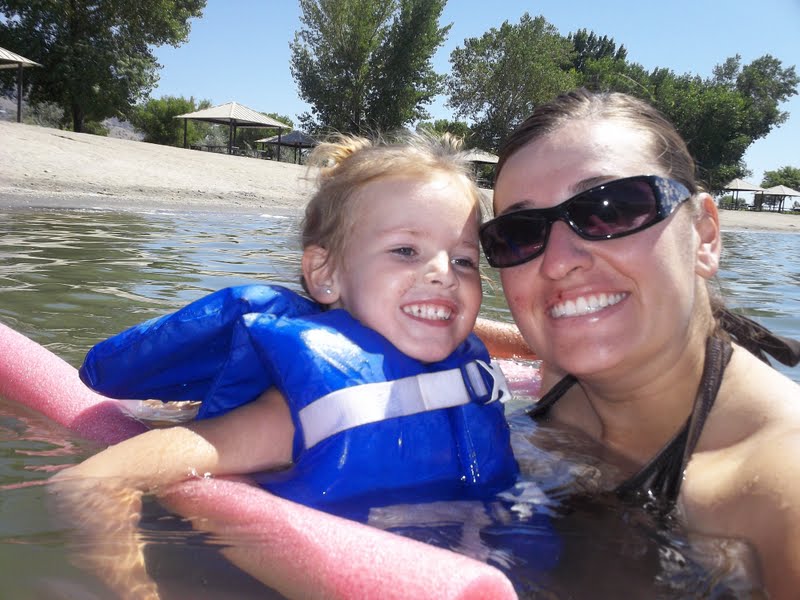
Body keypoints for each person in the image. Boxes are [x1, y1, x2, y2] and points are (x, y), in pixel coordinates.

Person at [51, 132, 525, 599]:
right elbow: (90, 481)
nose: (444, 273)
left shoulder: (468, 376)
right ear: (325, 274)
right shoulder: (293, 413)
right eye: (405, 251)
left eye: (464, 259)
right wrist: (135, 587)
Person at [478, 87, 800, 599]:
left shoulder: (778, 489)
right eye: (519, 233)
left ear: (705, 235)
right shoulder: (564, 376)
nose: (558, 261)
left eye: (612, 208)